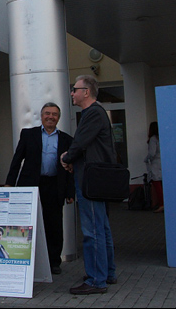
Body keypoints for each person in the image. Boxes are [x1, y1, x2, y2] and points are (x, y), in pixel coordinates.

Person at [60, 75, 117, 295]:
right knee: (102, 227)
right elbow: (85, 146)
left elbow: (79, 143)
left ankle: (96, 280)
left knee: (92, 230)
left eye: (74, 89)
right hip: (96, 179)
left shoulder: (93, 113)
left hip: (90, 181)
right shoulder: (96, 113)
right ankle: (107, 273)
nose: (72, 93)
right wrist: (72, 159)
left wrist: (66, 158)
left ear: (86, 92)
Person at [5, 102, 74, 274]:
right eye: (47, 113)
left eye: (54, 114)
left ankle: (54, 262)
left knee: (54, 225)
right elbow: (17, 159)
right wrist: (9, 183)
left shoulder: (67, 139)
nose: (51, 117)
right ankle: (25, 259)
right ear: (41, 116)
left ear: (59, 118)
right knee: (27, 224)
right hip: (30, 186)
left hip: (54, 186)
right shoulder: (28, 134)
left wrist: (70, 191)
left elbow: (70, 169)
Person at [144, 122, 163, 213]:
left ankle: (161, 204)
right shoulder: (162, 138)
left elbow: (152, 153)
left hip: (155, 164)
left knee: (156, 183)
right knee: (162, 184)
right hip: (162, 162)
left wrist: (146, 159)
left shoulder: (153, 139)